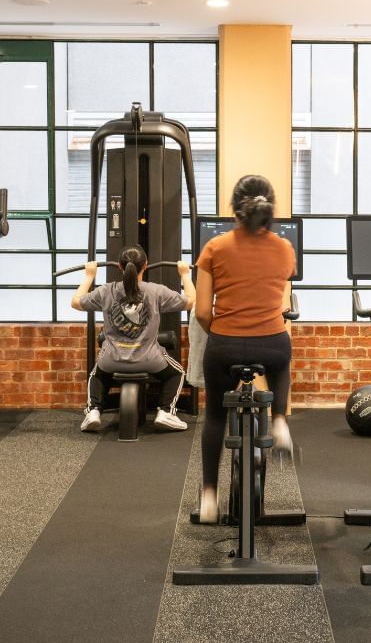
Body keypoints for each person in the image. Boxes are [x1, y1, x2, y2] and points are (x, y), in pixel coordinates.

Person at [193, 175, 296, 524]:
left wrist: (220, 333)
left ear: (234, 210)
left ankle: (209, 495)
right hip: (271, 344)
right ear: (270, 209)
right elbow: (279, 302)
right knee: (282, 359)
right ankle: (280, 420)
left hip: (224, 346)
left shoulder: (215, 248)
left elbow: (203, 311)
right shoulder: (285, 249)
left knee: (215, 417)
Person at [72, 246, 196, 433]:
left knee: (96, 374)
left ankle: (93, 411)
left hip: (112, 361)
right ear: (145, 266)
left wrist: (89, 276)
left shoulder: (106, 291)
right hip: (149, 360)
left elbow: (76, 302)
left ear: (120, 267)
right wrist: (185, 274)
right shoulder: (156, 291)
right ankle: (165, 412)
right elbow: (191, 300)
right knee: (177, 373)